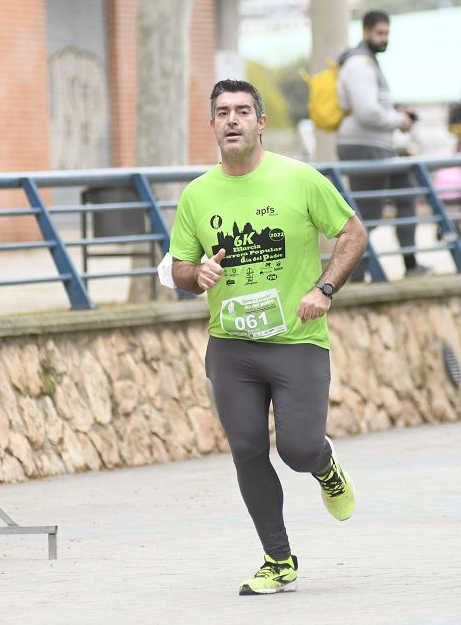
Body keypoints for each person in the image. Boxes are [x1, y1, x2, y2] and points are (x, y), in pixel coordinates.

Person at [170, 80, 366, 595]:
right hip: (231, 346)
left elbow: (353, 234)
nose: (231, 120)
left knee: (298, 449)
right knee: (249, 450)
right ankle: (278, 560)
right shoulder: (197, 195)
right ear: (212, 125)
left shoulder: (298, 179)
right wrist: (197, 278)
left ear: (260, 122)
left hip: (296, 339)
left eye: (242, 111)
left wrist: (324, 289)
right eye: (221, 112)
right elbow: (182, 269)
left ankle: (325, 467)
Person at [336, 10, 429, 279]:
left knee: (407, 192)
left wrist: (397, 114)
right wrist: (398, 120)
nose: (384, 39)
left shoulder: (369, 63)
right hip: (362, 145)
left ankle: (410, 265)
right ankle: (352, 273)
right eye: (379, 33)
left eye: (387, 33)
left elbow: (373, 107)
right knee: (368, 213)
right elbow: (367, 111)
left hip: (376, 145)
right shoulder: (359, 64)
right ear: (365, 32)